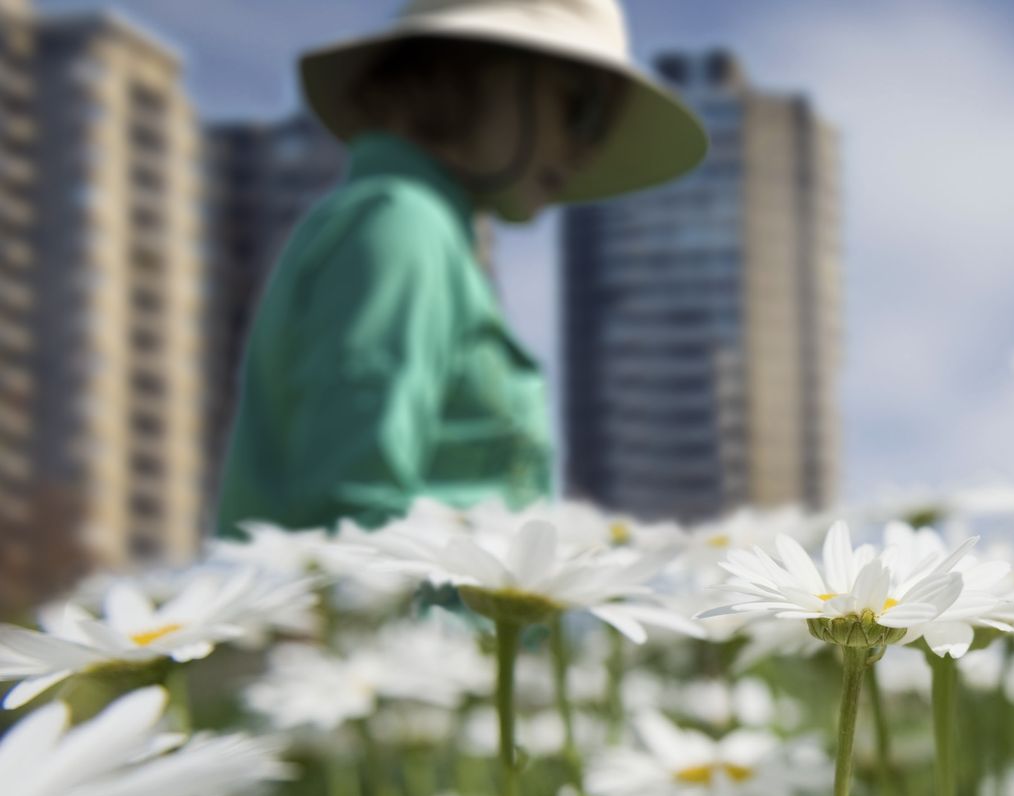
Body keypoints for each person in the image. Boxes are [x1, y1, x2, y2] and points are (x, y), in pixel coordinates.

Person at [215, 0, 706, 534]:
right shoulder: (402, 223)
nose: (585, 151)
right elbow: (350, 515)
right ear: (470, 69)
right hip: (401, 616)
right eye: (579, 108)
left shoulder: (422, 230)